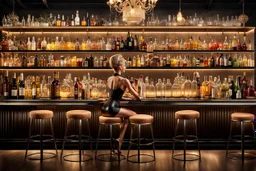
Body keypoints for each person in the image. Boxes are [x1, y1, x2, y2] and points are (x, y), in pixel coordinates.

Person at [102, 54, 140, 154]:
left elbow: (114, 95)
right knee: (134, 115)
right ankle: (119, 142)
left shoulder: (109, 79)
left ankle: (118, 144)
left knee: (126, 119)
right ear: (120, 67)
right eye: (124, 65)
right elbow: (137, 96)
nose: (125, 67)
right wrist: (134, 85)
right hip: (113, 108)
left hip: (105, 108)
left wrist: (125, 97)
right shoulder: (124, 80)